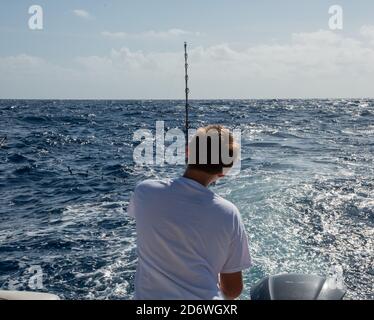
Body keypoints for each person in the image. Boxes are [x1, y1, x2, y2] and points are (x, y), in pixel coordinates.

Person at [127, 125, 251, 300]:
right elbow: (232, 290)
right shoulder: (229, 213)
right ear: (223, 171)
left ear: (187, 152)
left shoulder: (144, 192)